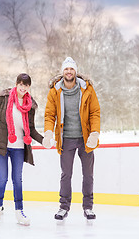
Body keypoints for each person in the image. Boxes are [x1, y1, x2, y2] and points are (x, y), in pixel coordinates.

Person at [0, 73, 43, 226]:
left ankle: (19, 212)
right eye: (21, 84)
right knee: (3, 178)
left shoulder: (30, 105)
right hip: (2, 145)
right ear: (16, 84)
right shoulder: (5, 98)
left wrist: (43, 140)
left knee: (17, 180)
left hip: (19, 147)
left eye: (26, 85)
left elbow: (31, 129)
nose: (23, 88)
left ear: (28, 87)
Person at [43, 57, 100, 220]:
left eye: (71, 69)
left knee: (88, 174)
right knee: (66, 174)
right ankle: (63, 207)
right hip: (66, 138)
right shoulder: (55, 91)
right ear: (63, 72)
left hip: (85, 139)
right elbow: (49, 114)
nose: (69, 71)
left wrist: (94, 133)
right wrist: (48, 132)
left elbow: (95, 112)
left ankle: (88, 207)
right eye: (66, 69)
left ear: (75, 71)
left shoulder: (87, 89)